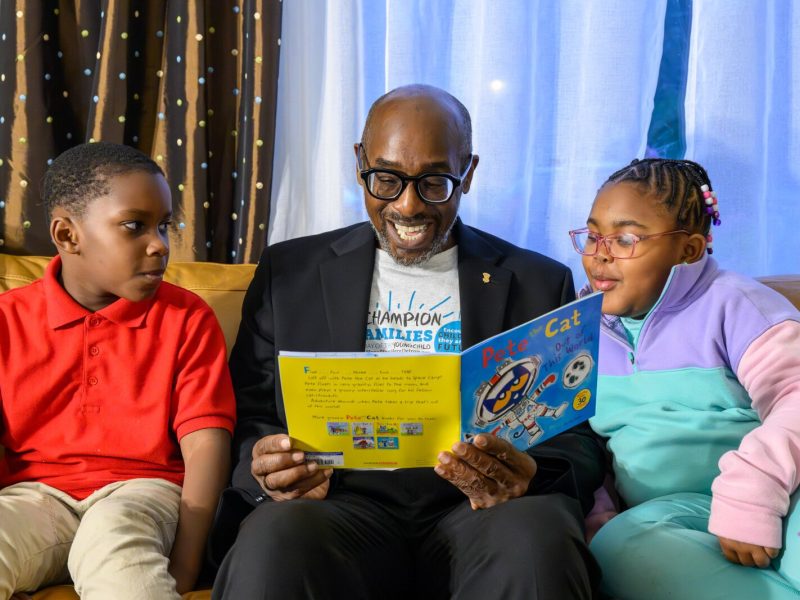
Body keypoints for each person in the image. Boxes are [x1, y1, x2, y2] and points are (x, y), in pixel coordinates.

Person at [212, 84, 605, 600]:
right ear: (360, 162)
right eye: (387, 178)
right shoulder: (289, 272)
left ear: (468, 172)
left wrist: (530, 474)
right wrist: (267, 467)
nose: (408, 205)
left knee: (538, 538)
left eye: (435, 182)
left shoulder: (539, 282)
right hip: (336, 507)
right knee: (274, 538)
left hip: (479, 510)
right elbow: (251, 413)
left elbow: (576, 433)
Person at [0, 142, 236, 600]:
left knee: (113, 541)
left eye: (164, 225)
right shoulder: (8, 320)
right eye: (135, 226)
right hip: (33, 497)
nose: (160, 244)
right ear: (68, 235)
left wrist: (185, 568)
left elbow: (206, 444)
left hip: (143, 494)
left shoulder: (188, 318)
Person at [570, 158, 800, 599]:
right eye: (594, 236)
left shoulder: (736, 305)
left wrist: (753, 494)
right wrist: (598, 515)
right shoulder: (577, 333)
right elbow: (583, 444)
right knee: (616, 546)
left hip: (783, 493)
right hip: (668, 514)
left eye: (625, 239)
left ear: (689, 250)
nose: (599, 254)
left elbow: (795, 398)